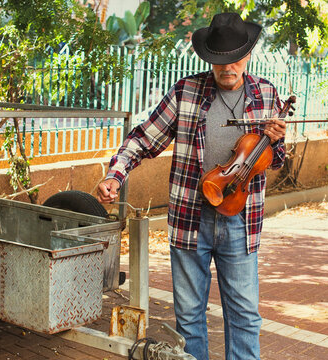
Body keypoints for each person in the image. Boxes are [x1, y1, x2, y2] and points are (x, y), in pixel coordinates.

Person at [97, 12, 287, 360]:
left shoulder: (266, 94)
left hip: (241, 222)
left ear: (246, 56)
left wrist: (274, 142)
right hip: (190, 219)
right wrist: (116, 173)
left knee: (245, 316)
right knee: (188, 318)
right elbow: (143, 139)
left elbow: (275, 161)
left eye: (233, 60)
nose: (226, 68)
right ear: (209, 59)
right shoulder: (186, 92)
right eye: (219, 61)